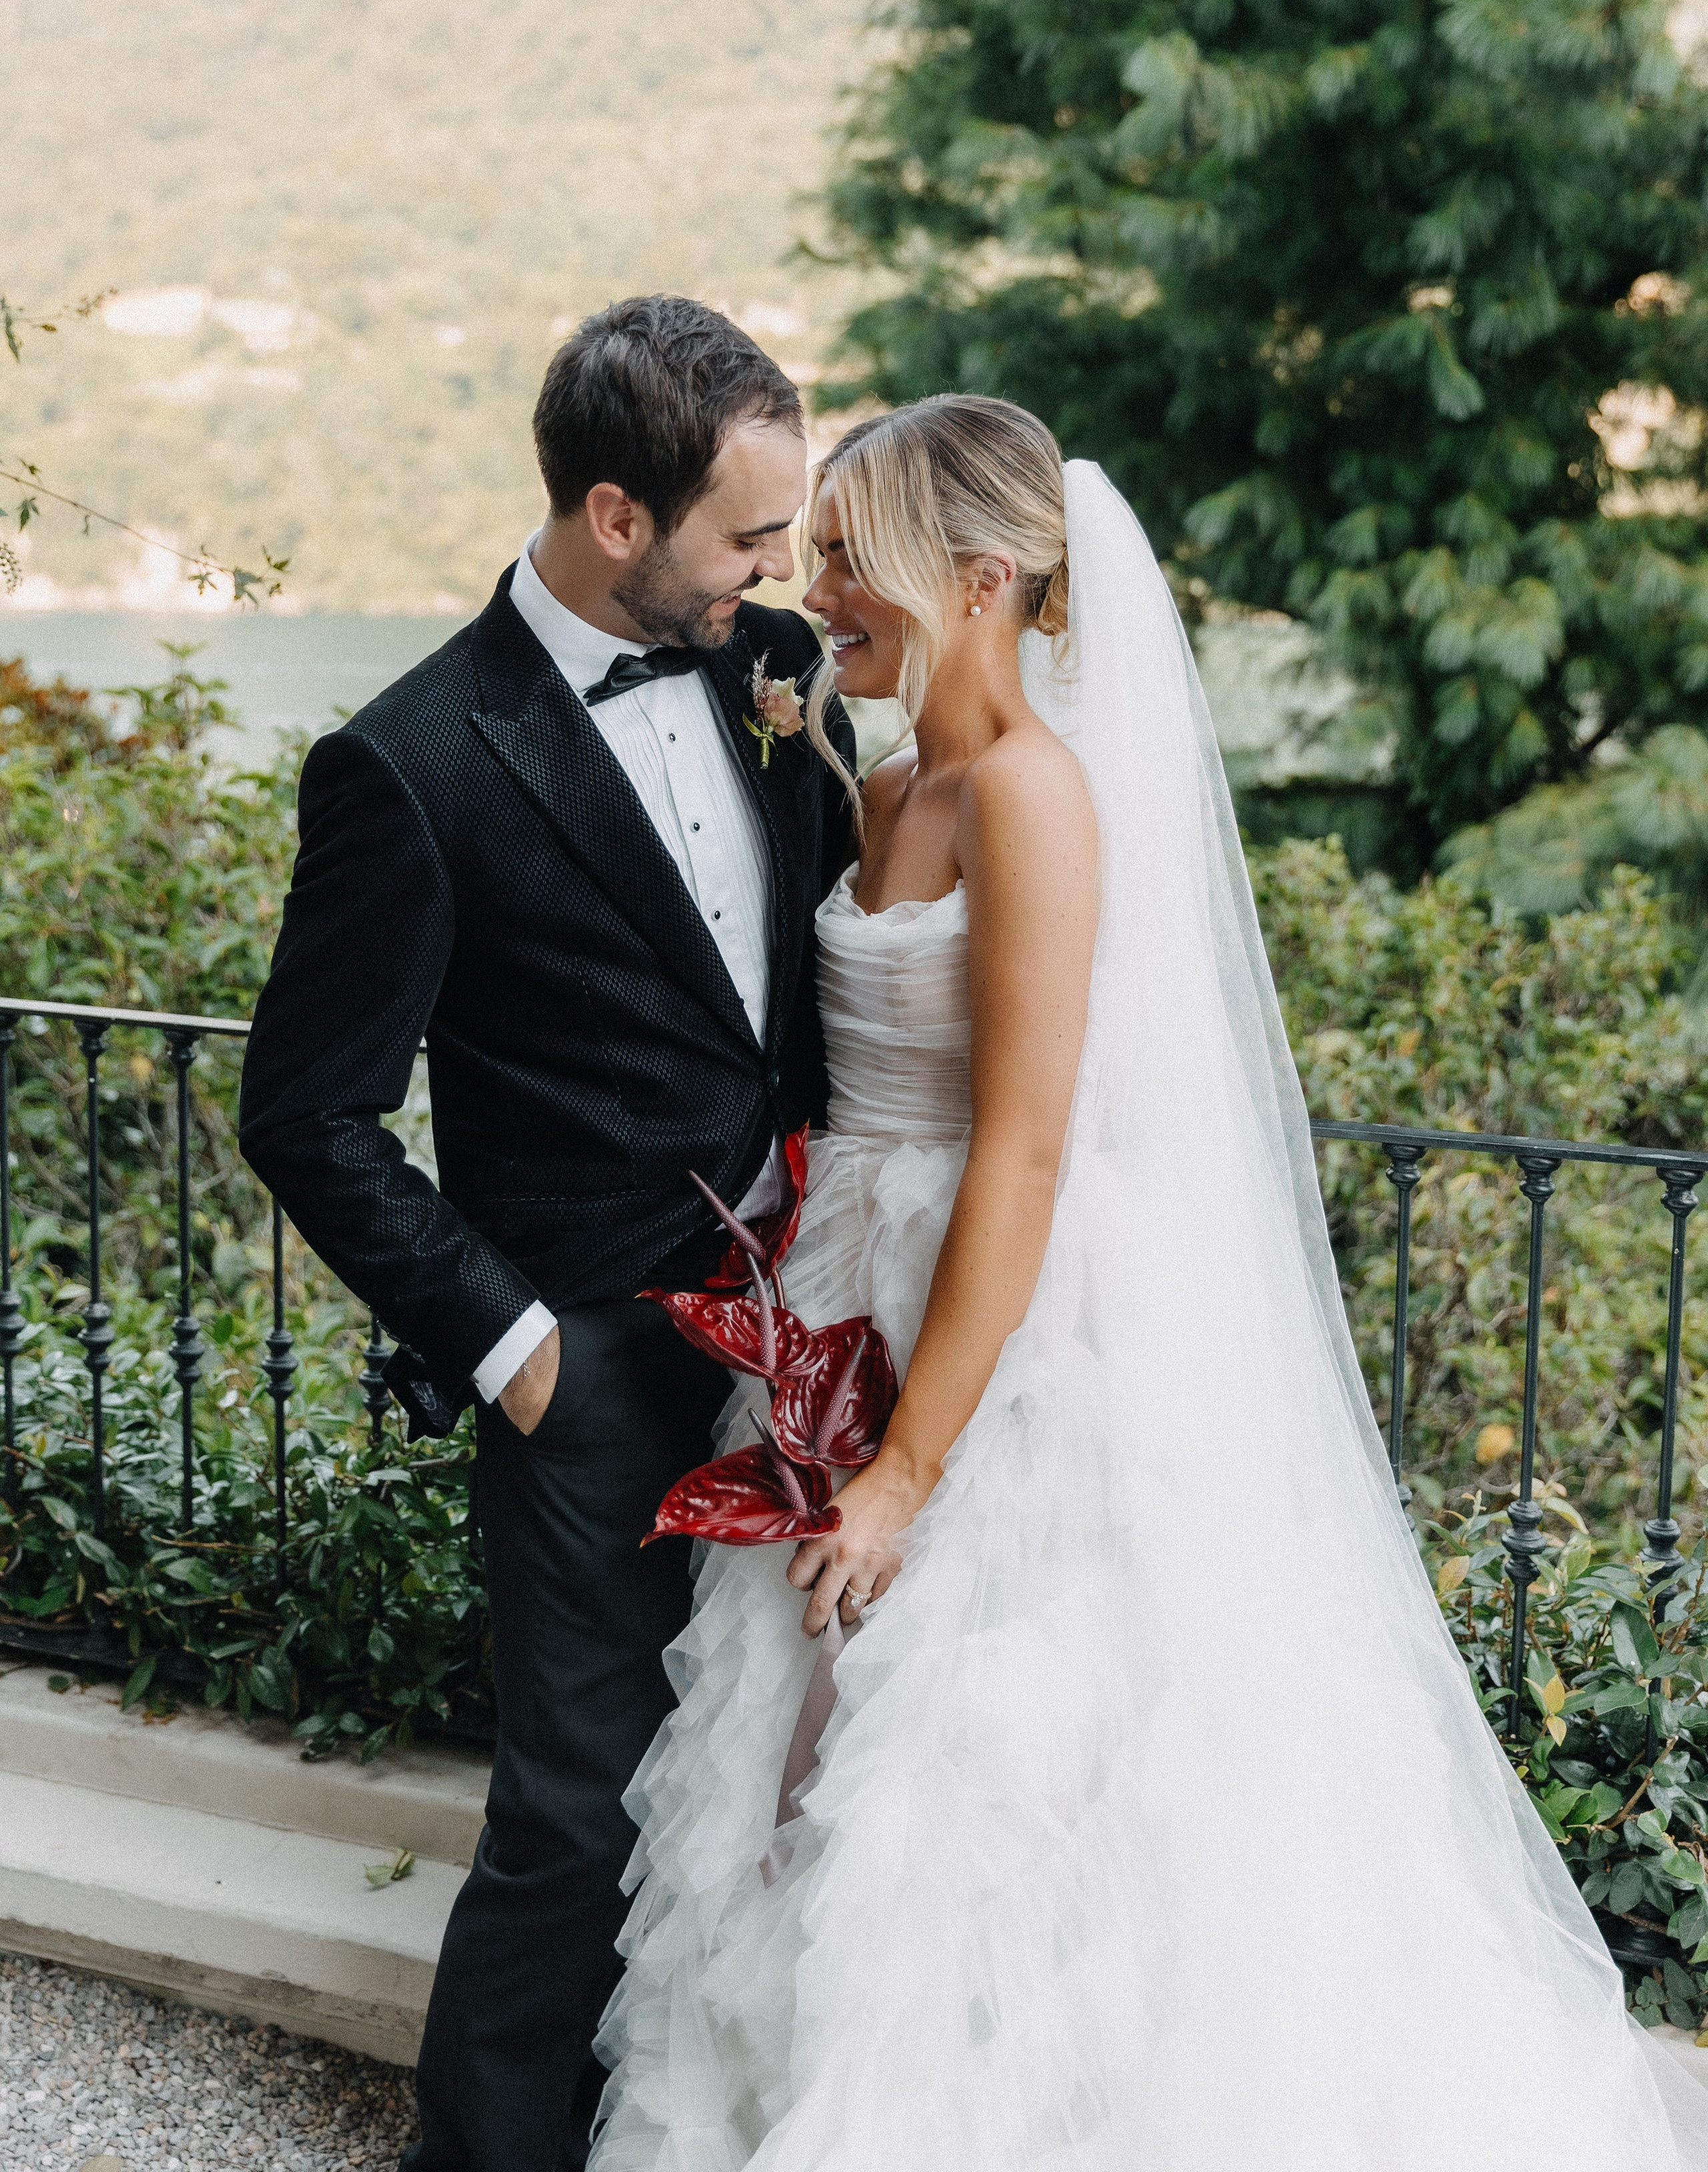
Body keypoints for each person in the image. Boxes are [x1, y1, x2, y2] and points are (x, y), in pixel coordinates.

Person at [588, 394, 1708, 2169]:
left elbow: (1021, 1152)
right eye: (809, 560)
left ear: (976, 579)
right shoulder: (883, 787)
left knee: (999, 1777)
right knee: (804, 1767)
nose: (819, 594)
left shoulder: (1037, 798)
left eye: (849, 561)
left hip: (1008, 1334)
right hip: (843, 1287)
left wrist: (900, 1472)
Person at [237, 295, 856, 2172]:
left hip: (817, 1334)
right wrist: (520, 1354)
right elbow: (304, 1113)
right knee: (577, 1817)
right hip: (587, 1370)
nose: (779, 568)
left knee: (767, 1784)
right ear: (614, 515)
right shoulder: (413, 765)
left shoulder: (783, 668)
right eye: (747, 535)